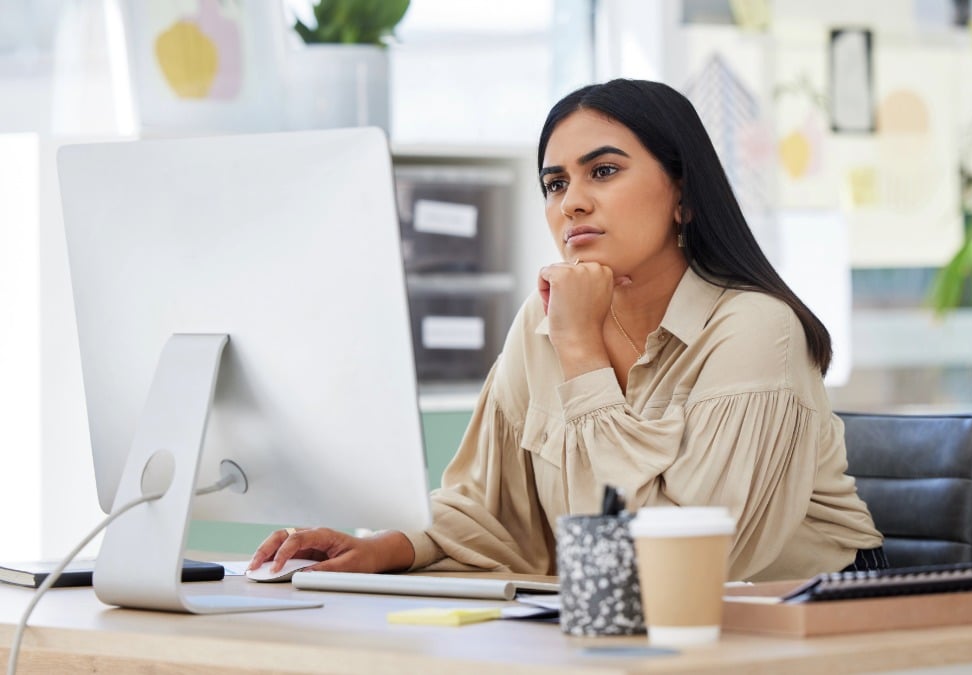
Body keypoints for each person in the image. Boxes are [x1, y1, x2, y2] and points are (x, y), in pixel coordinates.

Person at [250, 78, 884, 582]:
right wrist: (385, 546)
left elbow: (682, 560)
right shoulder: (542, 321)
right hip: (630, 620)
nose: (571, 202)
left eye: (602, 172)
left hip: (808, 619)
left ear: (683, 196)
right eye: (555, 184)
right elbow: (495, 511)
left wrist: (581, 352)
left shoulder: (755, 329)